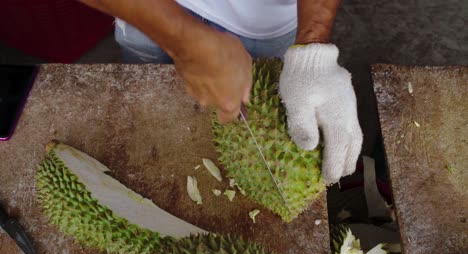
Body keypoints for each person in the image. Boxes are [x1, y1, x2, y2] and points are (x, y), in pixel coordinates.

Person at [79, 0, 363, 185]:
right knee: (145, 122)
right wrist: (181, 38)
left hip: (269, 24)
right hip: (144, 9)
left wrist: (312, 47)